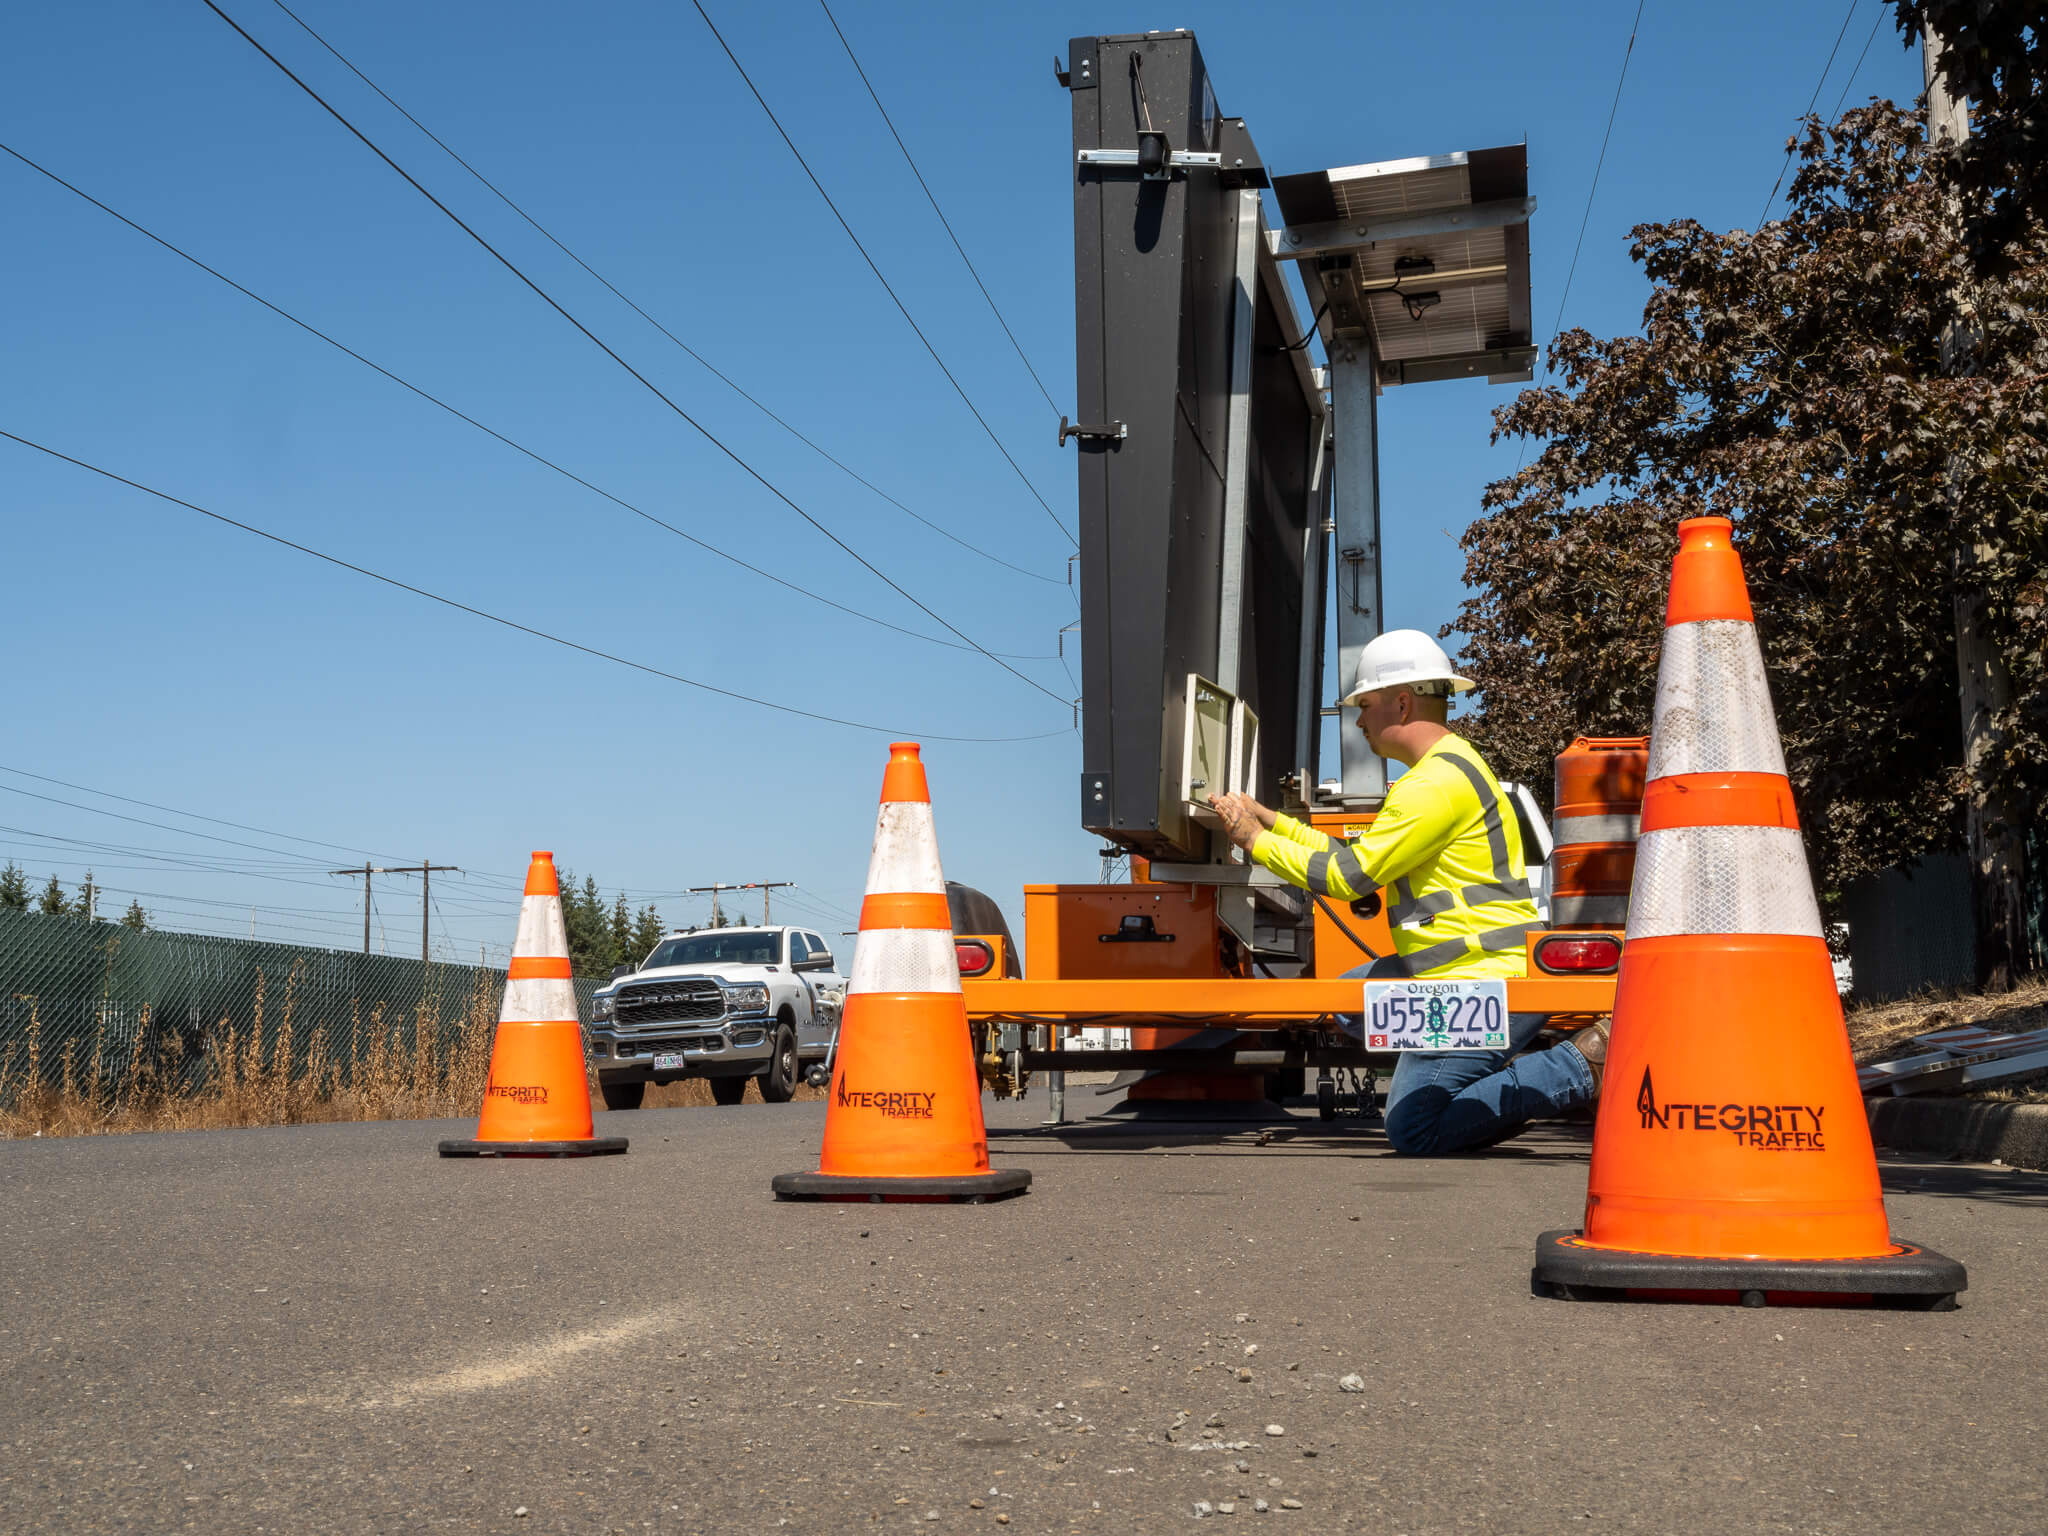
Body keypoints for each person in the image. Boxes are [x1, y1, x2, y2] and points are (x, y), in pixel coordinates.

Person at [1207, 629, 1606, 1154]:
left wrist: (1255, 841)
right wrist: (1275, 823)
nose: (1358, 720)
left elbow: (1348, 878)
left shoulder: (1432, 787)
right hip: (1464, 969)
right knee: (1348, 1003)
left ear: (1401, 702)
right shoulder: (1448, 769)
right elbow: (1353, 857)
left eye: (1364, 705)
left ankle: (1579, 1063)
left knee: (1414, 1128)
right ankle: (1467, 1075)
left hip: (1480, 984)